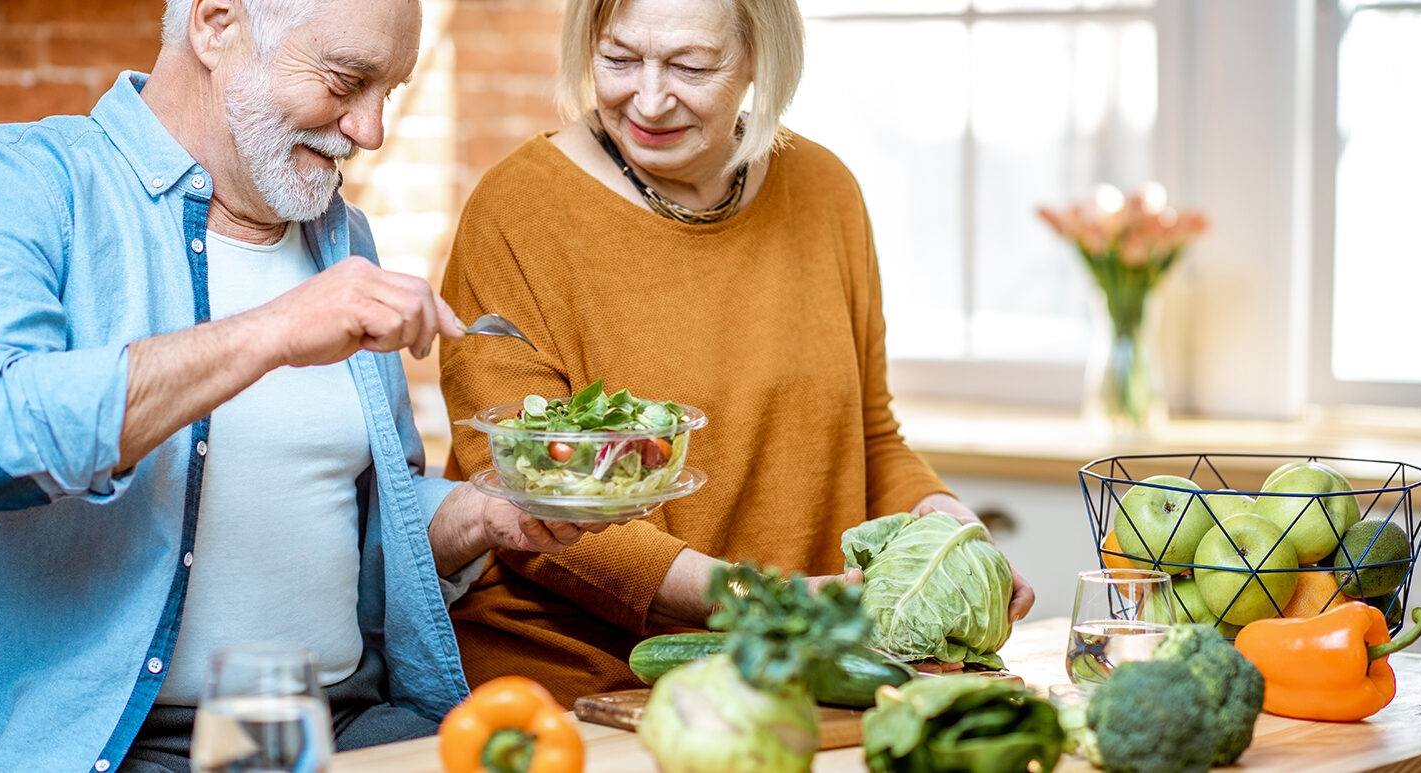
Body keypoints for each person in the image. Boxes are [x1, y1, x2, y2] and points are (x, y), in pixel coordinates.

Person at [0, 1, 603, 771]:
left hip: (342, 723)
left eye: (389, 93)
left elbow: (354, 528)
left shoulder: (342, 237)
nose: (370, 130)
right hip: (106, 746)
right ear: (215, 23)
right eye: (346, 81)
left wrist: (488, 513)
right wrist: (272, 330)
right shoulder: (29, 178)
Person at [438, 0, 1037, 706]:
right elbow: (525, 495)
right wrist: (754, 598)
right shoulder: (517, 210)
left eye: (691, 67)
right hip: (587, 685)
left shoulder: (826, 191)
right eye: (619, 59)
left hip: (798, 671)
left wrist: (950, 529)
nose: (649, 100)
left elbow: (868, 436)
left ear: (760, 57)